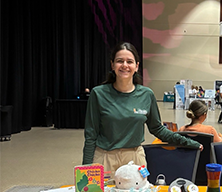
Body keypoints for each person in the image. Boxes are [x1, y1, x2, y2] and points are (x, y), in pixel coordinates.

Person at [82, 42, 202, 179]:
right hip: (104, 158)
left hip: (135, 159)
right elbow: (90, 135)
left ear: (136, 66)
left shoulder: (146, 95)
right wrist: (85, 171)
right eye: (119, 61)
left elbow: (157, 129)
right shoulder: (98, 94)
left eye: (129, 61)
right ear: (112, 65)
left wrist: (189, 142)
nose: (125, 65)